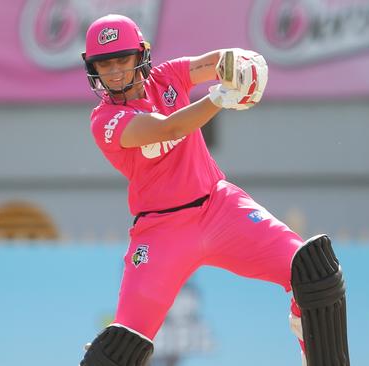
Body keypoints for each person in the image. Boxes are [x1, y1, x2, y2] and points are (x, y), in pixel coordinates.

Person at [79, 14, 350, 366]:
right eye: (104, 64)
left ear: (141, 56)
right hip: (161, 232)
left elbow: (216, 62)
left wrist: (246, 63)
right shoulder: (104, 121)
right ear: (93, 68)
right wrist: (221, 98)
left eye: (122, 60)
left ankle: (311, 341)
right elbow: (168, 128)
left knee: (314, 273)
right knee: (119, 348)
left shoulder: (168, 76)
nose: (114, 72)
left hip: (220, 207)